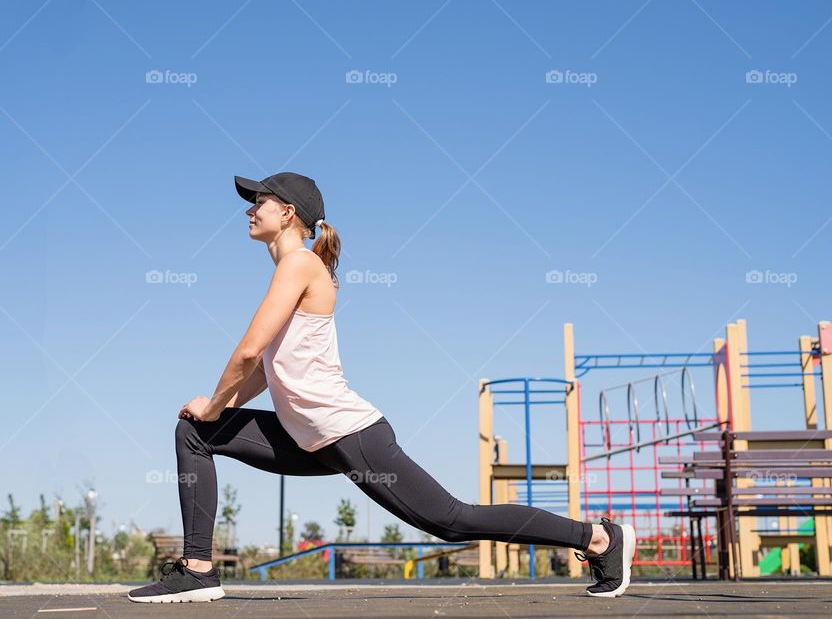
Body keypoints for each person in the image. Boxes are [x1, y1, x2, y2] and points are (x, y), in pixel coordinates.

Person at [127, 172, 636, 603]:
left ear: (287, 213)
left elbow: (243, 353)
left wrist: (214, 404)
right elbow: (260, 369)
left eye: (258, 202)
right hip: (307, 439)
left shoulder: (300, 264)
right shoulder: (293, 269)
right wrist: (216, 412)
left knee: (453, 521)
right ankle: (197, 569)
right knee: (194, 433)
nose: (249, 211)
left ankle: (597, 538)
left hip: (350, 436)